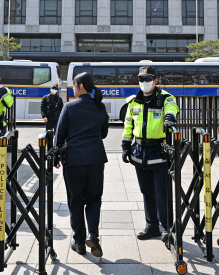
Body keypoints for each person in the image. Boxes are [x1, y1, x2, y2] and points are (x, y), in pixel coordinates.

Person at [54, 72, 109, 257]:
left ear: (81, 87)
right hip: (95, 160)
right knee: (94, 199)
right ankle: (93, 234)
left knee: (75, 201)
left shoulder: (69, 107)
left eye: (74, 85)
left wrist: (55, 157)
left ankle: (79, 242)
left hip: (74, 161)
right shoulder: (100, 107)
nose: (73, 88)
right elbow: (103, 134)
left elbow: (59, 135)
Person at [121, 66, 179, 241]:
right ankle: (151, 226)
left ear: (155, 81)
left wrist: (169, 118)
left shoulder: (165, 98)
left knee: (161, 192)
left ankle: (166, 227)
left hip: (158, 152)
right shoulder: (133, 101)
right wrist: (125, 145)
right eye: (141, 79)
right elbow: (128, 125)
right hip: (139, 152)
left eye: (147, 79)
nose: (143, 83)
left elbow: (172, 108)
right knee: (146, 191)